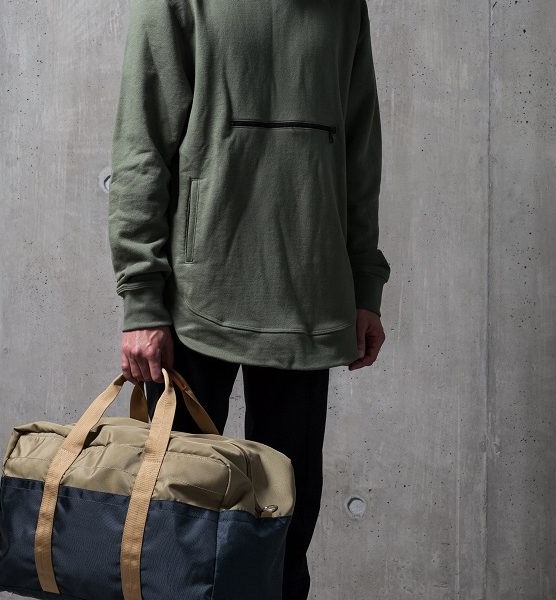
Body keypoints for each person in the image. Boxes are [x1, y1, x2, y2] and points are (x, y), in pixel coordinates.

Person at [108, 1, 390, 598]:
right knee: (173, 533)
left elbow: (359, 149)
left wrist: (365, 284)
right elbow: (142, 148)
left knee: (283, 542)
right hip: (194, 302)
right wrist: (142, 301)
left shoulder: (344, 7)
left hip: (310, 298)